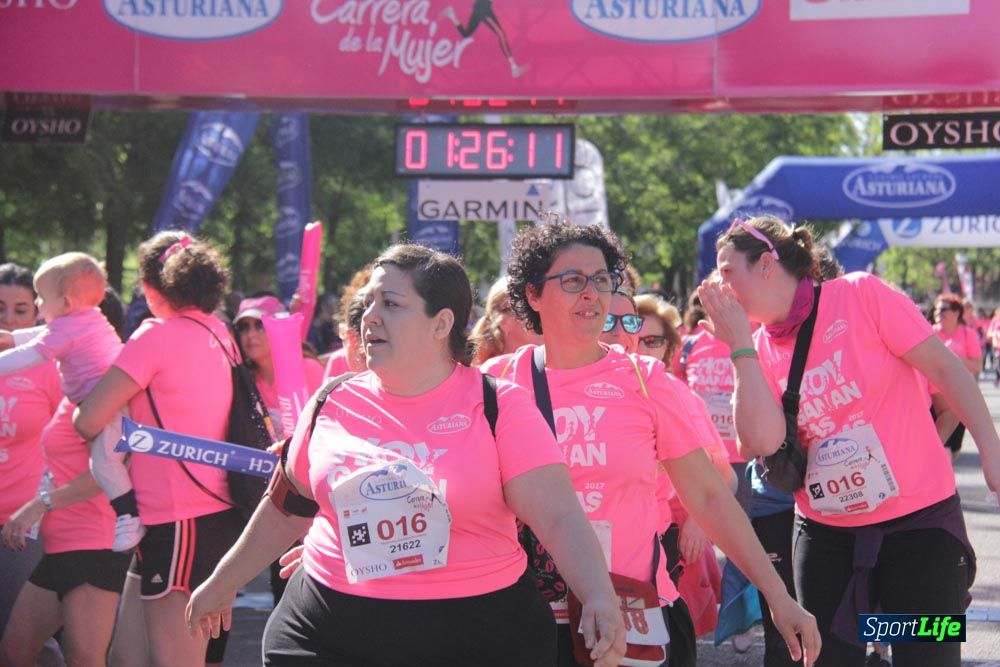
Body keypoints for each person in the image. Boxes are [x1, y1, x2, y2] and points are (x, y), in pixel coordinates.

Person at [187, 244, 626, 667]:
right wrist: (221, 583)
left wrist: (599, 595)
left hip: (476, 635)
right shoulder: (330, 400)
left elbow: (560, 517)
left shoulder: (499, 407)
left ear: (441, 325)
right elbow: (286, 509)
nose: (370, 317)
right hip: (327, 630)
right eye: (368, 302)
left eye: (391, 304)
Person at [485, 221, 820, 667]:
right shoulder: (498, 384)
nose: (591, 293)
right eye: (572, 281)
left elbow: (707, 496)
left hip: (632, 620)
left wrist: (778, 596)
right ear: (532, 295)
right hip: (532, 620)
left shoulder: (646, 382)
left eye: (602, 279)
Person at [699, 215, 1000, 667]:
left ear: (765, 264)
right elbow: (759, 441)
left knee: (928, 656)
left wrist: (991, 448)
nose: (715, 287)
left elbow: (946, 370)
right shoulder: (756, 346)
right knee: (828, 656)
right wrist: (740, 348)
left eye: (725, 272)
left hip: (919, 527)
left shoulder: (861, 294)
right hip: (825, 537)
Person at [74, 232, 244, 667]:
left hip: (180, 519)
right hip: (189, 516)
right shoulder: (220, 331)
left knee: (175, 661)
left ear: (151, 287)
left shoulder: (156, 335)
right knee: (126, 657)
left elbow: (88, 420)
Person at [1, 260, 129, 667]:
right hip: (59, 545)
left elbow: (105, 475)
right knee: (15, 652)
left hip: (94, 542)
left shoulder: (104, 401)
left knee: (85, 660)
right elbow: (32, 338)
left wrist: (38, 505)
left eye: (41, 300)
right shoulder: (74, 390)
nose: (39, 308)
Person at [0, 253, 142, 551]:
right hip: (105, 402)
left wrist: (9, 350)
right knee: (106, 462)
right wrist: (10, 339)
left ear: (65, 303)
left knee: (104, 463)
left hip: (108, 407)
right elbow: (42, 334)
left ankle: (129, 515)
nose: (38, 305)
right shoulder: (87, 318)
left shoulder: (69, 328)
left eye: (40, 298)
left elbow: (34, 353)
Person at [233, 293, 325, 604]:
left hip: (315, 501)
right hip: (273, 501)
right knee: (282, 592)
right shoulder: (244, 382)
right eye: (243, 328)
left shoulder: (310, 370)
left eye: (258, 325)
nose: (250, 335)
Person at [0, 263, 65, 666]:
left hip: (21, 525)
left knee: (24, 643)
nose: (7, 319)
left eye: (20, 309)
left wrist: (43, 504)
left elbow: (76, 444)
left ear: (37, 314)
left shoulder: (46, 366)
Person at [931, 293, 984, 458]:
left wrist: (953, 358)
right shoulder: (928, 333)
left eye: (943, 310)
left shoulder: (968, 335)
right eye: (937, 310)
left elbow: (977, 366)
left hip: (958, 398)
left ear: (956, 312)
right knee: (939, 449)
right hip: (931, 398)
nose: (939, 314)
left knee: (953, 450)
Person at [440, 0, 526, 77]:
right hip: (483, 8)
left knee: (466, 34)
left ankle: (451, 14)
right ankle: (514, 67)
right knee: (501, 35)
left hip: (482, 6)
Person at [470, 275, 542, 365]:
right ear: (502, 319)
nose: (539, 312)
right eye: (527, 307)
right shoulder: (488, 373)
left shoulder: (552, 366)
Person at [634, 294, 682, 370]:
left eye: (651, 341)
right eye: (634, 341)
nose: (641, 351)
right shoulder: (608, 381)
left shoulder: (672, 382)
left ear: (666, 346)